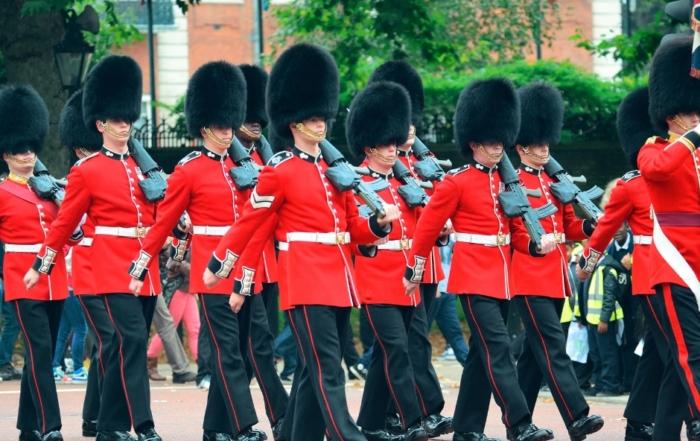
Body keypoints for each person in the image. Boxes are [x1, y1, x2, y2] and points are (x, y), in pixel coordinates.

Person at [203, 43, 399, 441]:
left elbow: (351, 231)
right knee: (328, 368)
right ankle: (348, 435)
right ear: (294, 122)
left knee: (312, 374)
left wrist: (378, 225)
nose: (321, 122)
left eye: (321, 114)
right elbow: (251, 222)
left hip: (341, 281)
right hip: (306, 281)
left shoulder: (334, 171)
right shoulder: (279, 170)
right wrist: (220, 263)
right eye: (312, 117)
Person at [404, 77, 556, 441]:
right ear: (473, 143)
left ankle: (467, 428)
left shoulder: (507, 183)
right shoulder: (456, 182)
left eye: (500, 141)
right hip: (472, 275)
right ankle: (519, 423)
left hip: (504, 275)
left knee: (479, 354)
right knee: (499, 348)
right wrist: (416, 265)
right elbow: (427, 227)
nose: (497, 148)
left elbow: (517, 230)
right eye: (490, 143)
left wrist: (535, 246)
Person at [25, 55, 163, 441]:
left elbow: (153, 219)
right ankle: (140, 424)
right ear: (100, 124)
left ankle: (110, 425)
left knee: (123, 345)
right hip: (109, 268)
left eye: (127, 119)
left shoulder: (141, 169)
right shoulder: (86, 171)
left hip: (144, 268)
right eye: (116, 120)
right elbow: (64, 224)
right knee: (130, 340)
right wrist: (43, 263)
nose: (124, 125)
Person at [128, 61, 267, 441]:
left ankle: (215, 428)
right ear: (204, 127)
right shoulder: (189, 170)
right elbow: (164, 222)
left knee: (236, 351)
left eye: (230, 125)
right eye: (221, 127)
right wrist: (142, 263)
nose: (228, 133)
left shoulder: (242, 167)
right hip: (211, 270)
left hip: (243, 269)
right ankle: (244, 425)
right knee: (229, 354)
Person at [509, 82, 604, 440]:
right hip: (528, 276)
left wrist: (590, 224)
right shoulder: (512, 182)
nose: (545, 147)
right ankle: (577, 415)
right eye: (537, 143)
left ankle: (517, 423)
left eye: (546, 141)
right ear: (521, 147)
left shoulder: (554, 182)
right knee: (552, 345)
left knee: (533, 360)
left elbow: (569, 227)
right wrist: (535, 246)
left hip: (554, 277)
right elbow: (516, 231)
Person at [368, 62, 452, 437]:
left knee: (403, 346)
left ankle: (383, 416)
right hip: (395, 269)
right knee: (407, 344)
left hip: (426, 263)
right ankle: (420, 411)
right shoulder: (382, 168)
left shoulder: (422, 161)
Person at [346, 80, 429, 441]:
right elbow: (355, 232)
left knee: (384, 355)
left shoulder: (402, 181)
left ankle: (372, 423)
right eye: (386, 143)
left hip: (405, 278)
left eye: (396, 142)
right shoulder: (355, 180)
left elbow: (417, 228)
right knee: (397, 349)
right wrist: (376, 226)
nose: (394, 149)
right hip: (375, 276)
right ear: (369, 146)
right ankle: (413, 420)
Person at [638, 34, 700, 440]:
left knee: (678, 369)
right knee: (689, 356)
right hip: (674, 266)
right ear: (673, 115)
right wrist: (691, 138)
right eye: (692, 114)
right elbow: (658, 171)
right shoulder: (654, 149)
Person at [1, 84, 70, 441]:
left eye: (30, 150)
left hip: (56, 279)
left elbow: (70, 233)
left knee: (38, 356)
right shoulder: (1, 192)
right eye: (19, 151)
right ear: (6, 155)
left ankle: (28, 426)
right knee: (41, 353)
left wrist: (62, 200)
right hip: (21, 281)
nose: (27, 156)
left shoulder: (49, 188)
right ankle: (50, 426)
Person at [235, 64, 290, 434]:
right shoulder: (228, 159)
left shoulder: (265, 154)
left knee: (248, 347)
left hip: (268, 262)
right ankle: (281, 416)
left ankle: (219, 422)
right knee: (257, 344)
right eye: (249, 116)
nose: (257, 122)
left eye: (260, 116)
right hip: (240, 262)